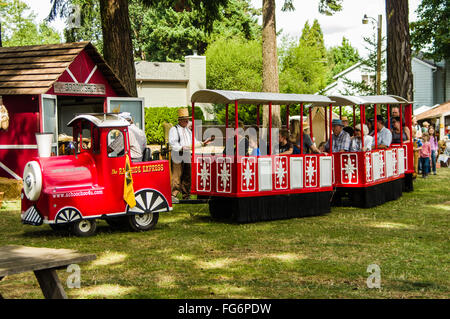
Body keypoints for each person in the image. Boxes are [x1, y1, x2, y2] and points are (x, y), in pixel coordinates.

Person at [169, 108, 212, 202]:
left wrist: (202, 143)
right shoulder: (174, 129)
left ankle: (186, 195)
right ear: (180, 120)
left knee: (187, 175)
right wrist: (181, 147)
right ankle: (173, 195)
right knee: (177, 175)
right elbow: (173, 143)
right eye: (185, 119)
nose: (187, 121)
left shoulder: (188, 131)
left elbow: (194, 142)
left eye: (187, 119)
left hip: (187, 153)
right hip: (178, 153)